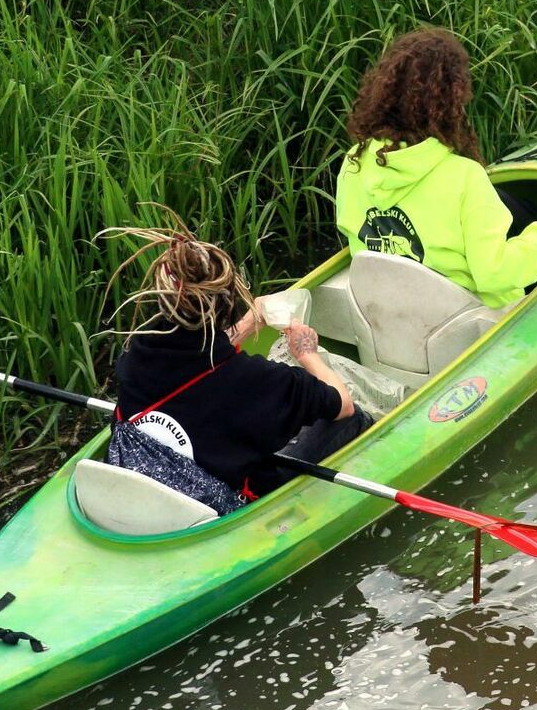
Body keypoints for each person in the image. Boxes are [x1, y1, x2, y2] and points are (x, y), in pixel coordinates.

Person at [103, 210, 373, 505]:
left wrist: (245, 325)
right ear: (228, 300)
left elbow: (197, 363)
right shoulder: (258, 381)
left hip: (144, 483)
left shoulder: (135, 352)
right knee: (355, 418)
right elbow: (342, 406)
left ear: (165, 300)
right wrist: (307, 353)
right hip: (218, 504)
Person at [336, 27, 537, 309]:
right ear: (452, 102)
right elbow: (495, 275)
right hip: (471, 322)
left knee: (507, 203)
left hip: (389, 314)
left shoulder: (354, 161)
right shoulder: (465, 177)